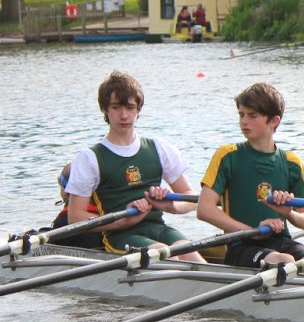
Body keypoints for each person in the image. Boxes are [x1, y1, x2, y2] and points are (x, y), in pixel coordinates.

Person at [61, 71, 204, 259]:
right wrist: (123, 221)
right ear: (104, 109)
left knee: (192, 255)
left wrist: (171, 206)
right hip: (120, 236)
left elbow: (191, 198)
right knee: (165, 254)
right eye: (115, 108)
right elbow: (75, 217)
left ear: (139, 110)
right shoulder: (89, 158)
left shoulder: (160, 148)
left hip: (159, 228)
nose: (124, 115)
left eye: (130, 108)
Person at [197, 83, 304, 277]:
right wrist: (253, 231)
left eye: (252, 116)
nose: (244, 121)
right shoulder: (227, 156)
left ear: (274, 121)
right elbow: (204, 210)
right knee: (285, 261)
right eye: (241, 114)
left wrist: (288, 213)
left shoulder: (292, 163)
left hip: (282, 241)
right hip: (241, 245)